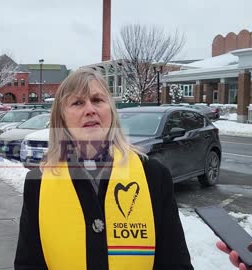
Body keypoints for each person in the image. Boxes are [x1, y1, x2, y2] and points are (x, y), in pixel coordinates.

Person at [14, 68, 193, 270]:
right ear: (61, 118)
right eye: (77, 103)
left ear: (111, 111)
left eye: (97, 100)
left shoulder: (153, 175)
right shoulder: (37, 183)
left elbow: (175, 262)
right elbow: (29, 264)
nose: (90, 109)